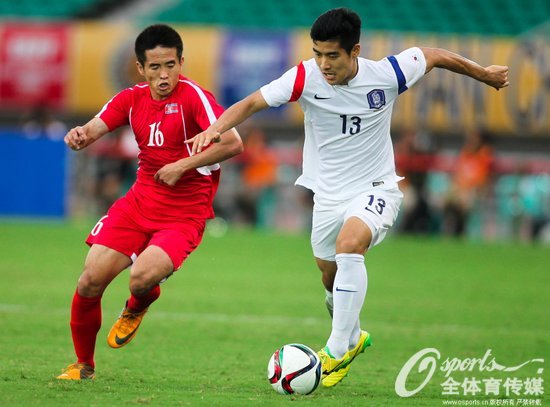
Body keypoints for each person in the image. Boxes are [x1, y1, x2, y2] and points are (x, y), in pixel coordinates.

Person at [187, 8, 509, 387]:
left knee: (350, 245)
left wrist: (483, 74)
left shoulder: (387, 75)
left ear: (354, 50)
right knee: (329, 274)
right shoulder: (304, 77)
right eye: (317, 53)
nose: (323, 63)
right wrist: (213, 129)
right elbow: (251, 103)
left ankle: (337, 350)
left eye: (332, 55)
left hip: (377, 189)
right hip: (328, 196)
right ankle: (353, 337)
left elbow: (434, 54)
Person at [57, 24, 243, 380]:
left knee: (141, 279)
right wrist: (80, 135)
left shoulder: (193, 97)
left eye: (170, 65)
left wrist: (183, 165)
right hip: (138, 204)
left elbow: (233, 142)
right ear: (140, 68)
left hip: (184, 214)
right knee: (89, 281)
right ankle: (83, 366)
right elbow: (96, 126)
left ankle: (137, 305)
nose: (163, 75)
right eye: (154, 67)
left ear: (181, 62)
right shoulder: (131, 99)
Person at [442, 129, 494, 236]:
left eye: (474, 139)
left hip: (476, 191)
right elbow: (458, 176)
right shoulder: (465, 153)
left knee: (465, 199)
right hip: (461, 190)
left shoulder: (484, 154)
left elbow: (483, 180)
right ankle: (450, 230)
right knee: (447, 199)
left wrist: (468, 189)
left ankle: (462, 231)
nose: (470, 142)